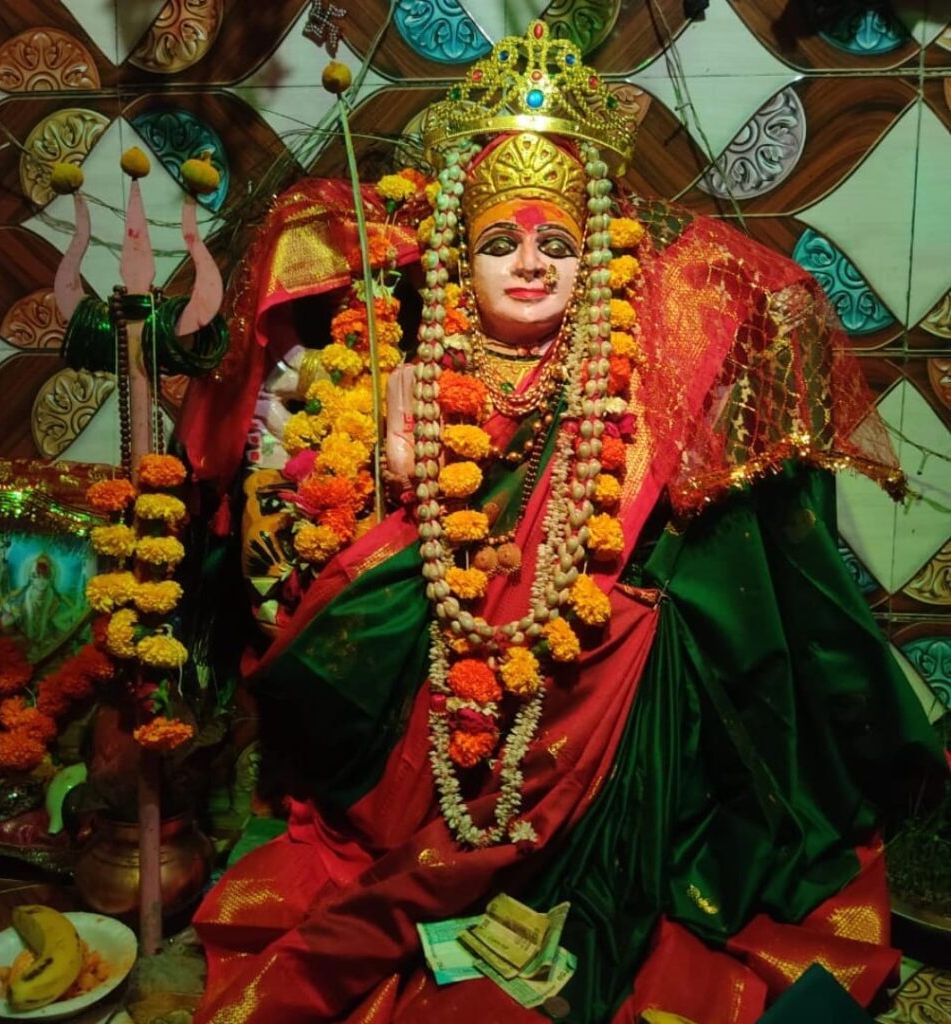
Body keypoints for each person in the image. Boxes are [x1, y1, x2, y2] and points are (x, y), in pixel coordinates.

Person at [182, 21, 942, 1023]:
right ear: (460, 257)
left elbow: (663, 474)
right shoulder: (412, 369)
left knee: (635, 632)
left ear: (599, 256)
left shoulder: (629, 367)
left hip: (583, 642)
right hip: (446, 610)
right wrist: (403, 460)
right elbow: (378, 484)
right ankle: (442, 857)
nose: (530, 265)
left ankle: (579, 865)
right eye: (500, 243)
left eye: (556, 244)